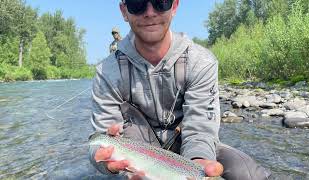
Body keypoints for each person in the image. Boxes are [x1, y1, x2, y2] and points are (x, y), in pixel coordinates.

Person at [89, 0, 271, 179]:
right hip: (137, 156)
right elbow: (100, 141)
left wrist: (199, 162)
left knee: (248, 174)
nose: (150, 12)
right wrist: (108, 165)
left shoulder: (201, 62)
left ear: (174, 6)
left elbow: (200, 129)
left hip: (187, 150)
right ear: (124, 11)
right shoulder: (106, 72)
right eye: (138, 3)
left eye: (161, 2)